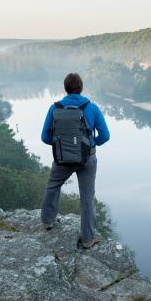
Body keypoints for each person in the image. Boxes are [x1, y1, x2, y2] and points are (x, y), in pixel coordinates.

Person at [40, 73, 110, 249]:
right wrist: (90, 145)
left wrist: (60, 146)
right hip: (87, 159)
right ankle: (88, 239)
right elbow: (105, 136)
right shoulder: (92, 107)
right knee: (87, 197)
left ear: (65, 88)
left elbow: (44, 137)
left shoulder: (54, 108)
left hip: (62, 158)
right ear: (81, 88)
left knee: (53, 186)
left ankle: (47, 221)